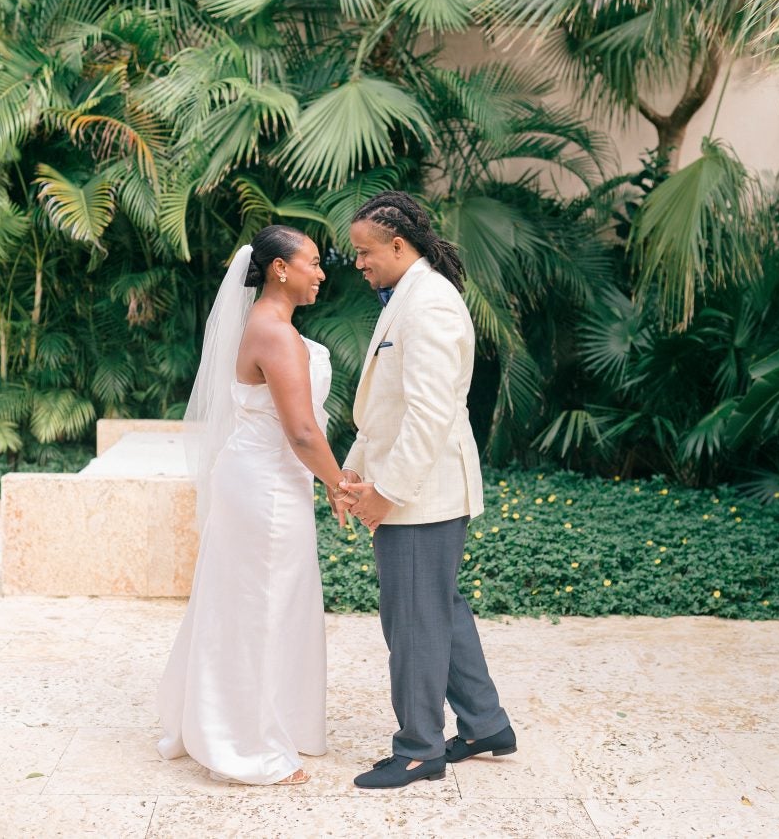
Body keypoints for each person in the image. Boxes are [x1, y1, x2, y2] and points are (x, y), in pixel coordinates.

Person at [156, 225, 351, 786]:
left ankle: (268, 721)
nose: (321, 272)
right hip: (266, 484)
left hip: (266, 476)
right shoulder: (276, 334)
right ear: (279, 270)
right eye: (312, 262)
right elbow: (303, 433)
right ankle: (249, 745)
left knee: (265, 602)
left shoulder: (267, 326)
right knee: (261, 605)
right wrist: (341, 486)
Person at [340, 191, 516, 789]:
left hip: (421, 494)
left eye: (364, 252)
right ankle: (485, 725)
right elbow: (386, 410)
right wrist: (352, 474)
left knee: (413, 618)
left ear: (398, 244)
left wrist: (386, 493)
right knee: (436, 607)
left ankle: (419, 748)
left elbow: (429, 414)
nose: (357, 263)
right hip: (407, 485)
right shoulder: (408, 299)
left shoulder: (431, 304)